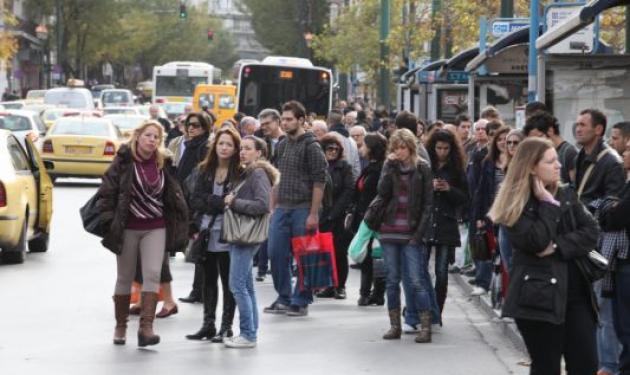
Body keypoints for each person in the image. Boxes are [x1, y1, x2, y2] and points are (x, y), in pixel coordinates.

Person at [488, 137, 600, 375]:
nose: (558, 165)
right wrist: (548, 204)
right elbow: (536, 241)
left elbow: (591, 232)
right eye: (550, 162)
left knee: (586, 364)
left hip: (576, 295)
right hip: (537, 298)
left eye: (557, 160)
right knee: (546, 367)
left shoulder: (567, 194)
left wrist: (558, 246)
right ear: (531, 166)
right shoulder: (514, 203)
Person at [97, 120, 189, 347]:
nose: (152, 140)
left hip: (155, 226)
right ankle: (121, 325)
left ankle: (146, 328)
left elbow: (174, 193)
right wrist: (109, 221)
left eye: (156, 137)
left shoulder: (163, 162)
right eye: (148, 135)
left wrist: (183, 220)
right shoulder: (124, 161)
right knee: (125, 277)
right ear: (138, 136)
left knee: (152, 274)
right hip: (128, 227)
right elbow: (107, 192)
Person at [264, 101, 328, 317]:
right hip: (282, 208)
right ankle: (284, 297)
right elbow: (276, 178)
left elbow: (320, 181)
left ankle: (301, 299)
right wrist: (272, 207)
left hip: (303, 208)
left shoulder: (312, 146)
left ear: (301, 120)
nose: (285, 122)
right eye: (283, 119)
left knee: (305, 257)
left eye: (289, 119)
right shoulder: (281, 145)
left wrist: (313, 213)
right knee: (275, 253)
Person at [574, 109, 625, 375]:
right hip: (584, 242)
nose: (578, 128)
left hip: (600, 245)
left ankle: (609, 364)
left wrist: (583, 210)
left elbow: (612, 205)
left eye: (583, 124)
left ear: (598, 129)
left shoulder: (610, 162)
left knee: (602, 306)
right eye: (577, 124)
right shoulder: (582, 156)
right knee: (589, 307)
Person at [375, 128, 436, 344]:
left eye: (403, 147)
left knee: (416, 280)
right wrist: (388, 166)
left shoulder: (423, 168)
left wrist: (419, 234)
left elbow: (428, 204)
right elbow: (381, 192)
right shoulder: (389, 166)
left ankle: (425, 327)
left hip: (411, 232)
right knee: (392, 280)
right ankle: (394, 326)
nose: (399, 152)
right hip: (389, 229)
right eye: (396, 148)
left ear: (411, 147)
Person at [222, 136, 279, 348]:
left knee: (237, 285)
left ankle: (247, 334)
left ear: (259, 153)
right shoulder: (251, 172)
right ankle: (250, 331)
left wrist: (234, 202)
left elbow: (263, 205)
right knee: (246, 285)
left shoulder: (257, 173)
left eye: (248, 149)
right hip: (243, 235)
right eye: (242, 148)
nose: (242, 152)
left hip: (245, 236)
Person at [186, 127, 241, 342]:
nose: (224, 147)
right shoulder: (204, 169)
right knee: (208, 280)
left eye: (228, 144)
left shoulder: (240, 172)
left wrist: (213, 202)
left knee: (229, 281)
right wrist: (218, 202)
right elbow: (195, 199)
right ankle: (208, 324)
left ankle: (225, 327)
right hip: (206, 232)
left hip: (229, 234)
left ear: (235, 148)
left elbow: (235, 202)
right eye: (221, 143)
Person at [425, 130, 468, 317]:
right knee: (421, 270)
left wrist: (448, 189)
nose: (442, 152)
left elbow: (465, 198)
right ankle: (423, 307)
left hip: (446, 223)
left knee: (441, 273)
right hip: (427, 223)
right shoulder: (426, 166)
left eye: (446, 148)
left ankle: (436, 312)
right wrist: (430, 187)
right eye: (438, 148)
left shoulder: (456, 169)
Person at [599, 137, 630, 375]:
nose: (624, 154)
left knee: (626, 326)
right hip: (620, 262)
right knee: (621, 324)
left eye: (629, 150)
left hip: (627, 263)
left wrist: (611, 208)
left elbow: (615, 218)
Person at [178, 112, 214, 305]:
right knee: (198, 248)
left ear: (205, 128)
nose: (191, 128)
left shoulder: (203, 147)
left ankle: (200, 291)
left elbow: (201, 177)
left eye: (196, 125)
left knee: (201, 249)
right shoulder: (190, 144)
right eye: (188, 124)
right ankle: (198, 290)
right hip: (188, 202)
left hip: (197, 204)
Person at [470, 126, 509, 295]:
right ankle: (485, 282)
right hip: (491, 211)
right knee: (488, 248)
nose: (502, 142)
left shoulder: (516, 161)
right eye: (499, 139)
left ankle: (504, 289)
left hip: (509, 213)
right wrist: (479, 215)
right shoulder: (489, 161)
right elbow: (482, 189)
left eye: (506, 139)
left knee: (504, 251)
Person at [350, 132, 388, 306]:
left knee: (375, 255)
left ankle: (375, 293)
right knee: (368, 255)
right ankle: (367, 293)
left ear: (371, 148)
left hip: (375, 219)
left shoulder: (381, 169)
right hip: (364, 217)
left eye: (364, 145)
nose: (361, 148)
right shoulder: (370, 167)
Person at [315, 134, 355, 300]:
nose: (332, 151)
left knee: (339, 253)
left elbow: (349, 190)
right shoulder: (318, 166)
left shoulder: (344, 167)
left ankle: (340, 286)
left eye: (336, 149)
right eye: (329, 148)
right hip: (320, 214)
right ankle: (328, 285)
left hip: (338, 217)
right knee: (323, 252)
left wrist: (333, 213)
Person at [256, 108, 285, 282]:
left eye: (267, 123)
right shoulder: (262, 142)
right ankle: (261, 267)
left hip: (284, 196)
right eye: (262, 124)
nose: (264, 127)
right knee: (265, 232)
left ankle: (282, 270)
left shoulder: (286, 141)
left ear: (277, 122)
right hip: (266, 192)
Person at [523, 111, 577, 185]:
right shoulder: (546, 152)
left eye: (538, 137)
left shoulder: (569, 152)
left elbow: (576, 186)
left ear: (550, 131)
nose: (536, 143)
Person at [328, 110, 361, 178]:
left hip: (333, 183)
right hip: (349, 182)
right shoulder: (352, 141)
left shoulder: (329, 138)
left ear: (328, 120)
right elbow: (357, 168)